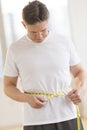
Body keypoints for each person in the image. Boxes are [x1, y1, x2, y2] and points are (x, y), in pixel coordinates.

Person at [3, 0, 86, 130]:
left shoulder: (64, 42)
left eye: (43, 30)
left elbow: (79, 72)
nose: (40, 36)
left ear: (47, 22)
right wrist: (27, 98)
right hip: (35, 120)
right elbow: (8, 86)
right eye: (33, 32)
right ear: (24, 25)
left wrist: (81, 90)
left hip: (68, 115)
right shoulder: (15, 49)